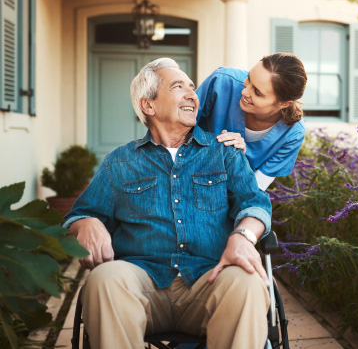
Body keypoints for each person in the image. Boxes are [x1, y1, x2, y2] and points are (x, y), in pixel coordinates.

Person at [63, 57, 273, 349]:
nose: (192, 94)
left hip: (209, 281)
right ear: (148, 105)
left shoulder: (224, 152)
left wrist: (243, 237)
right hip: (141, 286)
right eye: (178, 86)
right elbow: (81, 213)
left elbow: (255, 203)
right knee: (104, 278)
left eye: (191, 87)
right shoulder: (120, 162)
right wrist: (85, 223)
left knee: (247, 281)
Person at [196, 52, 307, 191]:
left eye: (258, 92)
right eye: (249, 78)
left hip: (225, 196)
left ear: (284, 104)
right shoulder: (222, 81)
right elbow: (175, 128)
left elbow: (254, 189)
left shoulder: (293, 134)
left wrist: (238, 160)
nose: (245, 92)